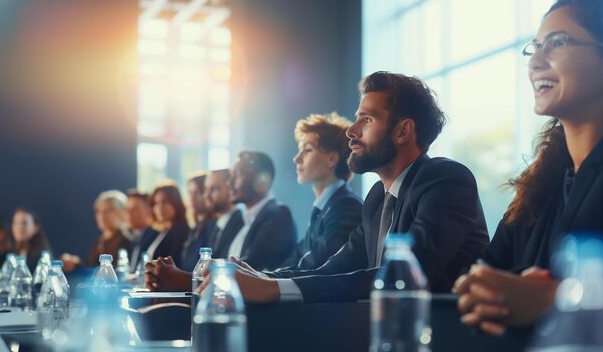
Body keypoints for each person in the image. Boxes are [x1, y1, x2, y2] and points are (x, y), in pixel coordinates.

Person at [153, 72, 490, 298]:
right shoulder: (376, 198)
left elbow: (401, 277)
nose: (351, 131)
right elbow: (335, 269)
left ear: (403, 131)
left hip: (445, 349)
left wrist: (269, 289)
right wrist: (252, 278)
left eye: (367, 120)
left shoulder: (446, 179)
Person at [455, 0, 603, 336]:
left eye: (558, 42)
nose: (535, 62)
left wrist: (557, 298)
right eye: (534, 47)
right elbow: (485, 270)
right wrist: (483, 290)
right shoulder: (539, 185)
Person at [145, 152, 298, 290]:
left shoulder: (277, 214)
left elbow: (250, 274)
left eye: (237, 176)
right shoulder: (250, 219)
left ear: (262, 181)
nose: (230, 184)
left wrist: (185, 279)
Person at [270, 112, 362, 273]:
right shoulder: (325, 207)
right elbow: (298, 255)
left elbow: (317, 263)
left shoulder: (347, 206)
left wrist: (261, 280)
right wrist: (257, 276)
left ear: (332, 159)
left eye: (307, 150)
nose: (296, 159)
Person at [138, 181, 190, 268]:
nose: (160, 207)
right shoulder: (159, 231)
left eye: (165, 202)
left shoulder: (182, 232)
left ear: (176, 203)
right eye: (156, 203)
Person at [180, 172, 218, 271]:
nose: (192, 198)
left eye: (197, 193)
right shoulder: (194, 228)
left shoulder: (214, 227)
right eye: (190, 193)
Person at [87, 190, 133, 267]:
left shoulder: (126, 243)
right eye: (99, 211)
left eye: (108, 210)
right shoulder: (99, 242)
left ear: (122, 212)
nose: (102, 216)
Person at [11, 208, 51, 273]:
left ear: (36, 227)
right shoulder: (10, 254)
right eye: (15, 223)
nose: (19, 227)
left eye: (24, 223)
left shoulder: (43, 257)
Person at [124, 189, 153, 272]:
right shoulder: (132, 239)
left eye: (135, 209)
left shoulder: (154, 238)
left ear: (148, 211)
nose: (129, 214)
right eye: (127, 209)